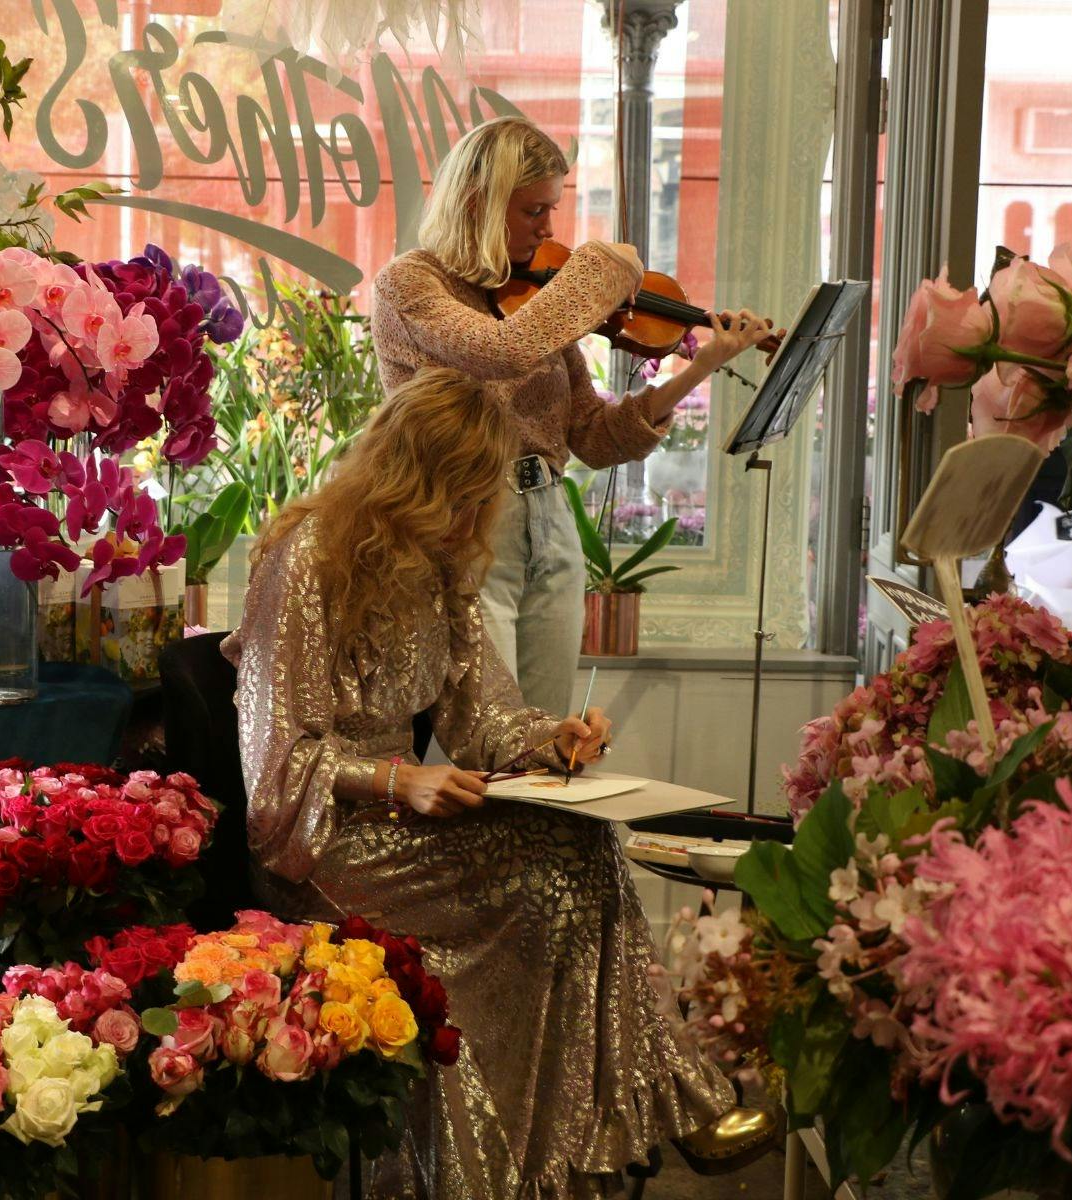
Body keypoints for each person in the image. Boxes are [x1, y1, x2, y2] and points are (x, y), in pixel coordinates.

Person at [223, 367, 769, 1200]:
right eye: (461, 496)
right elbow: (276, 764)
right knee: (558, 879)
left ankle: (575, 1149)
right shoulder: (305, 562)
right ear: (410, 481)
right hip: (323, 841)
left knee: (582, 844)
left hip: (404, 817)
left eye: (481, 499)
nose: (473, 519)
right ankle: (635, 1123)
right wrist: (397, 780)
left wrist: (555, 739)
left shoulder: (440, 562)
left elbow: (485, 718)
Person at [371, 115, 774, 715]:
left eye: (553, 210)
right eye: (534, 210)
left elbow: (594, 436)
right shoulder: (410, 284)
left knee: (546, 728)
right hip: (465, 523)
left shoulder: (533, 296)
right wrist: (598, 268)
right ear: (478, 203)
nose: (549, 228)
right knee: (485, 730)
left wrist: (700, 366)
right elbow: (500, 350)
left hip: (551, 519)